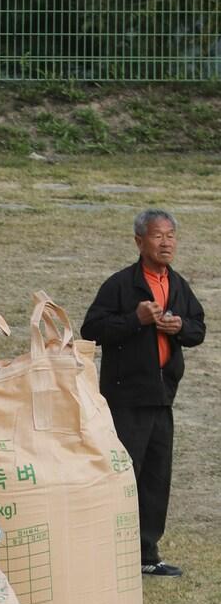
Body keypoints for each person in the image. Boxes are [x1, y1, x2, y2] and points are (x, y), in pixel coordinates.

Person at [81, 208, 205, 578]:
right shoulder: (121, 285)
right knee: (124, 475)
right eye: (157, 236)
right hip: (126, 396)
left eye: (170, 236)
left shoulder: (177, 285)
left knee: (155, 476)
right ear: (139, 241)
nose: (165, 242)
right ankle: (109, 550)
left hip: (162, 395)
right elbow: (92, 329)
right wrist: (136, 319)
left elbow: (198, 328)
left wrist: (179, 326)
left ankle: (146, 554)